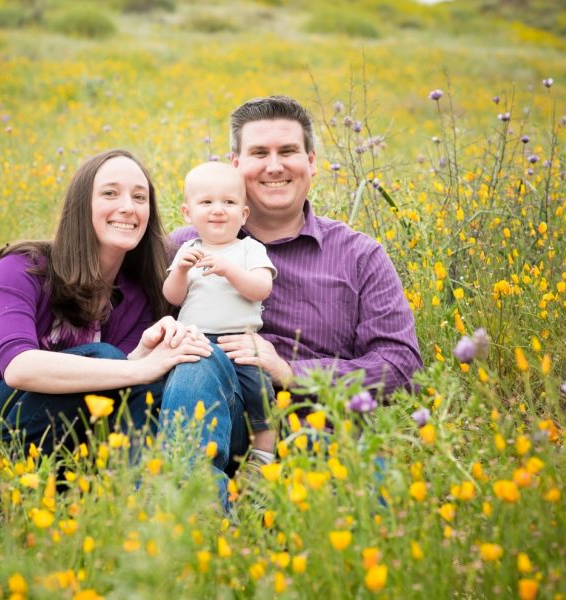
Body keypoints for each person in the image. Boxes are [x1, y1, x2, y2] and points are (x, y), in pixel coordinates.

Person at [160, 96, 423, 489]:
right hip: (217, 425)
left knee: (376, 497)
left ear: (311, 161)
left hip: (317, 433)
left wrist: (291, 372)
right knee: (199, 358)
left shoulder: (359, 255)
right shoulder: (185, 246)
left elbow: (401, 366)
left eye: (287, 151)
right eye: (258, 153)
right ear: (235, 165)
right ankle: (198, 507)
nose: (274, 166)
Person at [0, 149, 212, 461]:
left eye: (139, 197)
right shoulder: (24, 266)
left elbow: (118, 378)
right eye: (110, 193)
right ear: (82, 204)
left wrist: (144, 353)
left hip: (43, 434)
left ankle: (136, 483)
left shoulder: (138, 293)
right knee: (111, 360)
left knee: (140, 385)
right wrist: (141, 367)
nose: (128, 207)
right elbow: (18, 368)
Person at [163, 161, 278, 468]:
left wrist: (229, 269)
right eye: (206, 202)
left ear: (244, 213)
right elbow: (173, 297)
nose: (218, 210)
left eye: (228, 202)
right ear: (188, 213)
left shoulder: (249, 249)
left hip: (239, 342)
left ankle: (264, 454)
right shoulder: (187, 249)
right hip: (195, 340)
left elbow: (261, 288)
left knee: (258, 391)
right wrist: (180, 271)